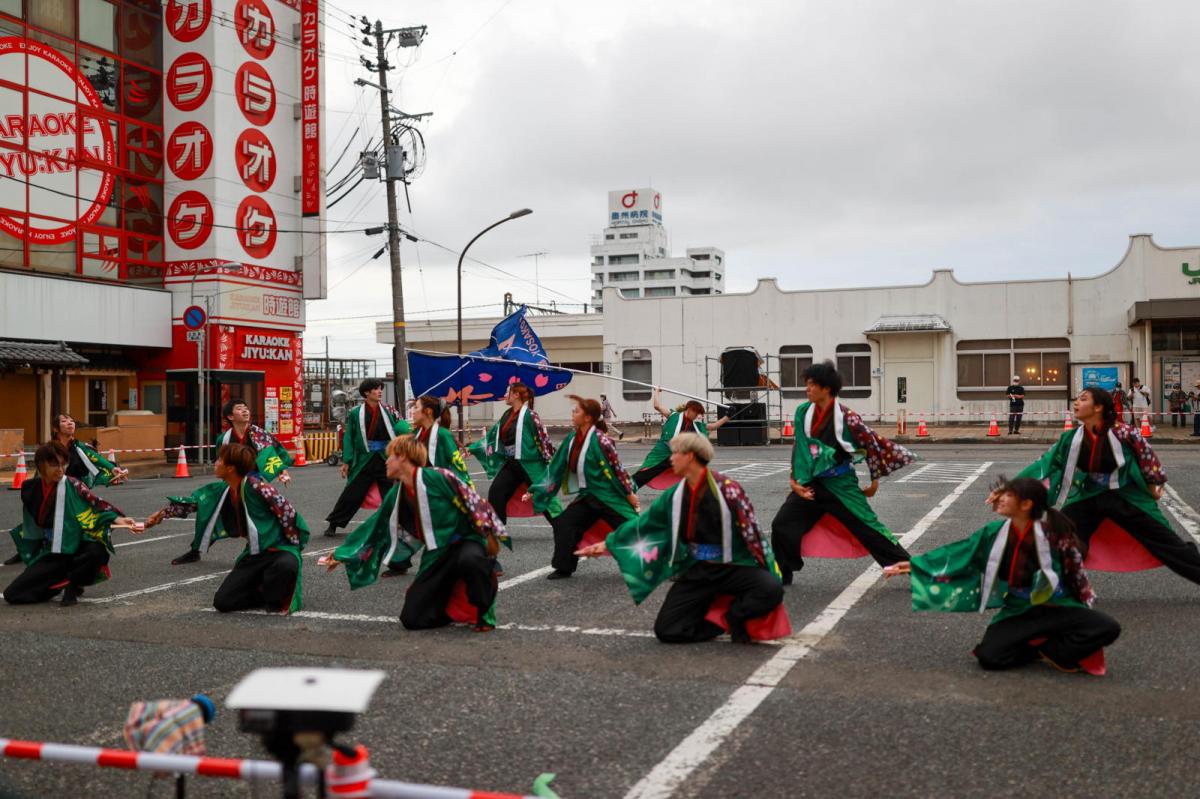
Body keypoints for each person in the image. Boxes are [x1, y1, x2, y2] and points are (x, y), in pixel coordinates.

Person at [884, 477, 1120, 673]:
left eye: (1008, 495)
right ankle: (1038, 647)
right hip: (1019, 608)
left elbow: (1076, 572)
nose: (1000, 499)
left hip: (1057, 606)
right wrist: (916, 565)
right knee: (990, 657)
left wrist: (1083, 603)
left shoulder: (1056, 533)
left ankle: (1052, 650)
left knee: (1107, 627)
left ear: (1026, 504)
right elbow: (961, 552)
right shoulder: (994, 532)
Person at [577, 433, 787, 644]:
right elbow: (645, 523)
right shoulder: (676, 495)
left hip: (733, 565)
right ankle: (717, 624)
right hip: (698, 570)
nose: (671, 458)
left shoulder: (728, 490)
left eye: (676, 453)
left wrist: (767, 566)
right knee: (667, 630)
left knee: (771, 588)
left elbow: (753, 533)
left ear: (690, 457)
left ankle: (735, 616)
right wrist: (608, 543)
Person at [1013, 386, 1200, 585]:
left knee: (1166, 543)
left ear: (1098, 407)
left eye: (1083, 399)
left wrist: (1155, 482)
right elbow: (1045, 462)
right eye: (1077, 399)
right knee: (1062, 537)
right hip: (1088, 495)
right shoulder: (1071, 438)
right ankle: (1056, 586)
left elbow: (1146, 456)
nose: (1076, 403)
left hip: (1125, 496)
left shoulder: (1123, 433)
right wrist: (1013, 488)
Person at [323, 436, 508, 632]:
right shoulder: (397, 493)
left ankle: (484, 608)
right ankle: (449, 608)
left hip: (464, 542)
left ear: (403, 457)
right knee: (412, 618)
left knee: (471, 560)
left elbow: (476, 504)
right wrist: (342, 553)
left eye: (390, 457)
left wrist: (488, 540)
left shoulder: (440, 477)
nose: (386, 461)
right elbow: (374, 526)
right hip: (437, 553)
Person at [771, 360, 915, 585]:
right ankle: (782, 572)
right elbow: (799, 448)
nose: (807, 389)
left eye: (811, 384)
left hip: (840, 484)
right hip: (811, 484)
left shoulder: (847, 418)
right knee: (782, 524)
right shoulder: (802, 412)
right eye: (806, 384)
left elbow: (872, 444)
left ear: (826, 388)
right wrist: (794, 481)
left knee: (870, 530)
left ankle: (916, 571)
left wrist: (874, 480)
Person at [145, 443, 310, 614]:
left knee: (286, 566)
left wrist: (294, 547)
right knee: (223, 602)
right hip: (254, 554)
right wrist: (163, 513)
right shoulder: (225, 489)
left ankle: (274, 591)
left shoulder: (259, 487)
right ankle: (264, 590)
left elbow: (288, 513)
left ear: (230, 468)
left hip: (280, 550)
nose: (216, 463)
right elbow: (198, 502)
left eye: (219, 460)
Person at [4, 441, 140, 606]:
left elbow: (94, 505)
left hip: (76, 545)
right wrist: (30, 551)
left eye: (63, 464)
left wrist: (117, 519)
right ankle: (60, 581)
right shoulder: (29, 488)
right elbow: (32, 525)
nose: (60, 469)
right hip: (52, 550)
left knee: (97, 551)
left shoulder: (73, 484)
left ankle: (73, 584)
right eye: (54, 465)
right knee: (13, 594)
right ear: (41, 466)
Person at [169, 398, 294, 565]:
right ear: (230, 416)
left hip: (252, 484)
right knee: (209, 511)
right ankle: (195, 550)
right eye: (239, 409)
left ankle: (264, 550)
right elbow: (221, 461)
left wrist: (281, 472)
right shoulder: (224, 438)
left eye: (246, 408)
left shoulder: (259, 434)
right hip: (231, 484)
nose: (245, 410)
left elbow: (273, 453)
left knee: (256, 518)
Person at [529, 394, 640, 579]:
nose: (572, 413)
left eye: (576, 411)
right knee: (565, 524)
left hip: (608, 496)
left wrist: (629, 494)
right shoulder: (573, 439)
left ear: (588, 417)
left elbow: (618, 470)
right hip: (587, 496)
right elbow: (556, 466)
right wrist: (536, 489)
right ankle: (564, 566)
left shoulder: (602, 441)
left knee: (634, 529)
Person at [321, 378, 410, 538]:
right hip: (365, 459)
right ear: (366, 393)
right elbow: (349, 437)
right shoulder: (356, 413)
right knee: (353, 493)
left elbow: (401, 426)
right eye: (376, 389)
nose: (379, 391)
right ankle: (334, 523)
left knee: (391, 493)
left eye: (380, 388)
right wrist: (347, 461)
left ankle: (399, 524)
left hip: (384, 458)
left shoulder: (388, 410)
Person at [467, 382, 562, 524]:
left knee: (544, 497)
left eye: (508, 392)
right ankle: (497, 529)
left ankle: (563, 528)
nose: (505, 395)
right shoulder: (507, 415)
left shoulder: (530, 415)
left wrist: (551, 461)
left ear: (516, 395)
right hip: (512, 462)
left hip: (530, 463)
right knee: (496, 492)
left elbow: (543, 438)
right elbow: (492, 436)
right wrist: (472, 448)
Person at [631, 388, 728, 488]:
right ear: (690, 410)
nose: (697, 416)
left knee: (693, 472)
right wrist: (656, 391)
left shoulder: (695, 424)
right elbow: (657, 406)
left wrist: (727, 417)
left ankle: (693, 494)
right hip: (662, 451)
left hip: (679, 454)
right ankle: (628, 488)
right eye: (696, 413)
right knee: (647, 472)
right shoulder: (673, 415)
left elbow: (713, 426)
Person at [51, 412, 129, 488]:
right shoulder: (51, 449)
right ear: (55, 429)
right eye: (64, 421)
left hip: (77, 488)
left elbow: (96, 457)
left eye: (72, 421)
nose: (70, 423)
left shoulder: (79, 447)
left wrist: (112, 468)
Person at [412, 395, 473, 487]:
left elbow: (457, 464)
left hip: (440, 487)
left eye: (416, 407)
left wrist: (467, 490)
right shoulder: (417, 434)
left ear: (428, 411)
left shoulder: (443, 434)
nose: (413, 411)